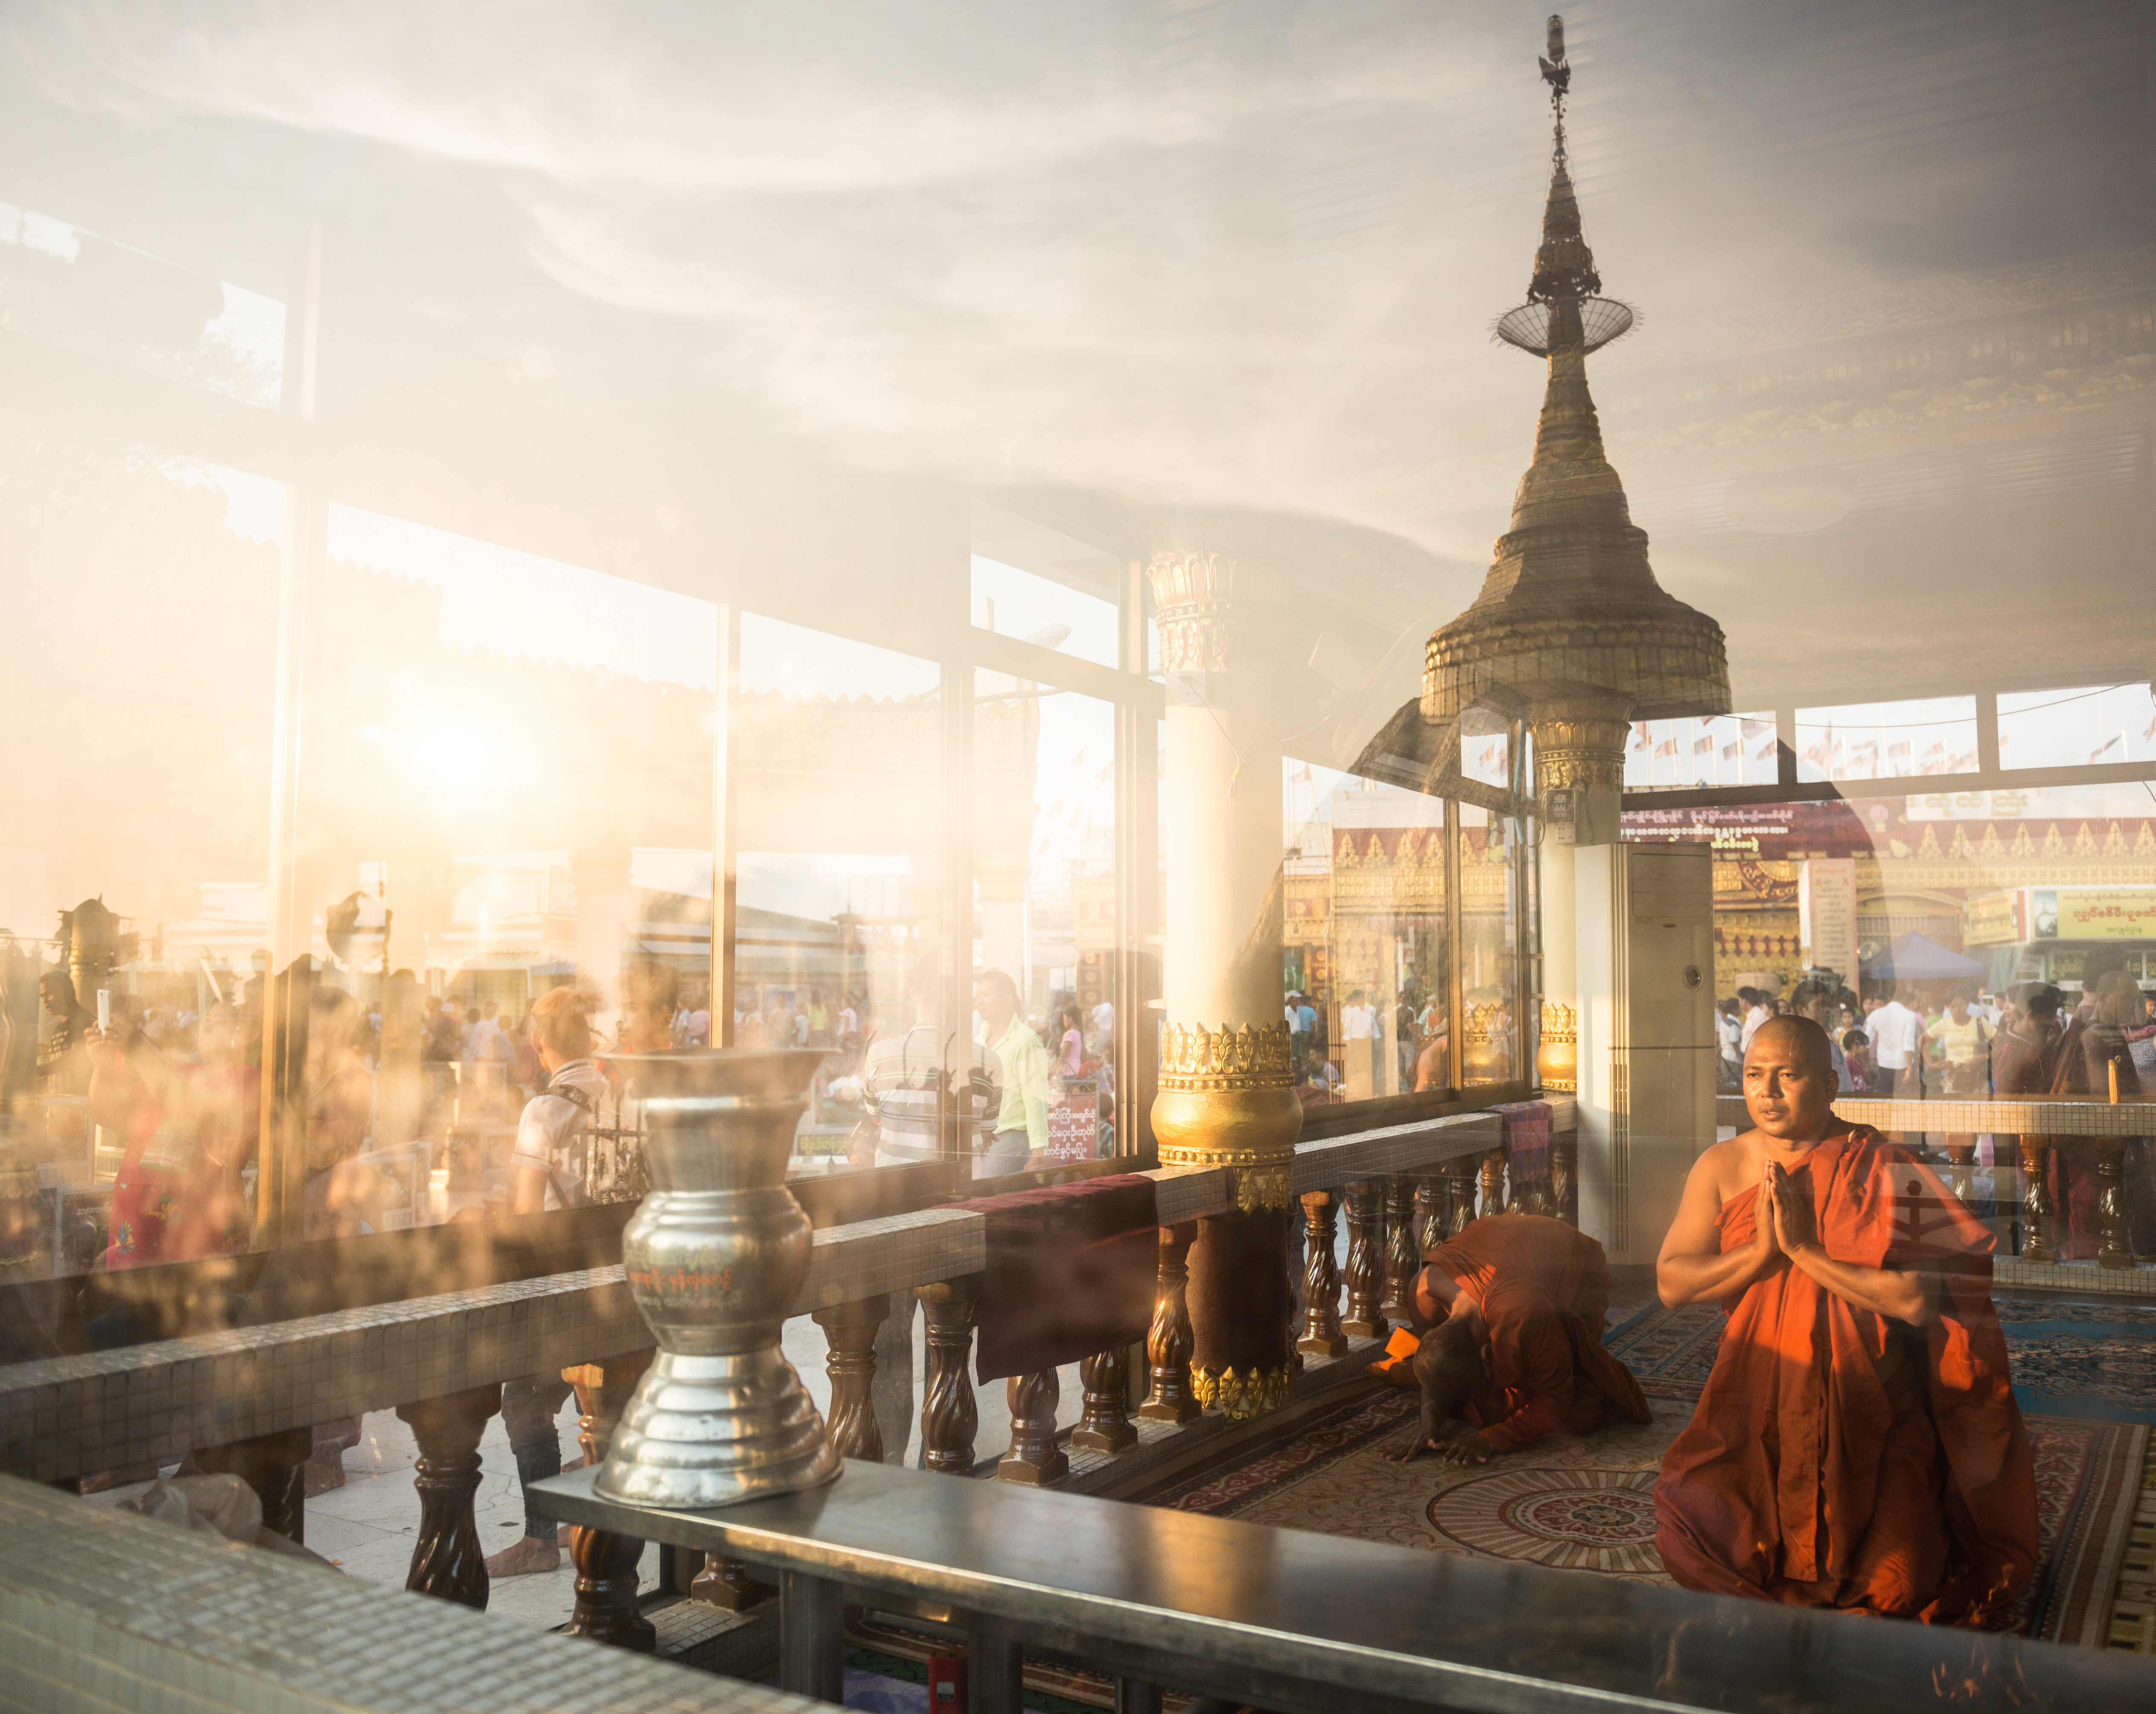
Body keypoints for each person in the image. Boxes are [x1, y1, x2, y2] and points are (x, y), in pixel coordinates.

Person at [1651, 1015, 2036, 1622]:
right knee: (1692, 1536)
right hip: (1756, 1404)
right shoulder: (1721, 1166)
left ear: (1831, 1084)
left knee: (1900, 1588)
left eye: (1788, 1076)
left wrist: (1805, 1252)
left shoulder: (1885, 1163)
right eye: (1754, 1075)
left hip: (1871, 1414)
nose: (1767, 1092)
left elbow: (1913, 1300)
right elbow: (1670, 1283)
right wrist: (1760, 1253)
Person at [489, 983, 606, 1579]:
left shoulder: (543, 1112)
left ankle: (538, 1541)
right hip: (617, 1285)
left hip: (567, 1292)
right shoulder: (619, 1097)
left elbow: (528, 1218)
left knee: (525, 1403)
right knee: (593, 1400)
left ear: (539, 1044)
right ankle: (585, 1518)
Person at [1385, 1213, 1650, 1465]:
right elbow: (1438, 1363)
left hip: (1575, 1264)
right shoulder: (1422, 1295)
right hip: (1506, 1239)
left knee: (1582, 1409)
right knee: (1473, 1393)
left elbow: (1556, 1396)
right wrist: (1428, 1424)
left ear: (1488, 1355)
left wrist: (1493, 1439)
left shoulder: (1523, 1313)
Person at [975, 968, 1047, 1175]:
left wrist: (1038, 1150)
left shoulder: (1026, 1040)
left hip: (1011, 1138)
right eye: (978, 996)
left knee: (988, 1198)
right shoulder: (979, 1042)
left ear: (1007, 1000)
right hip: (981, 1139)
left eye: (986, 995)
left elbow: (1035, 1097)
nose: (979, 1001)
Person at [1789, 980, 1853, 1093]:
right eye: (1821, 1004)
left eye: (1829, 1005)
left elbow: (1847, 1090)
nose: (1828, 1010)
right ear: (1800, 1010)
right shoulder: (1788, 1047)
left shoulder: (1833, 1047)